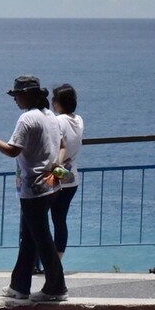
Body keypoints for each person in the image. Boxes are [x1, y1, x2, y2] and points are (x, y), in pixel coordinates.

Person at [0, 76, 68, 302]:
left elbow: (12, 151)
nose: (15, 99)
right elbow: (63, 146)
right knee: (29, 238)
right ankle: (20, 286)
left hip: (33, 188)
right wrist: (56, 164)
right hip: (50, 184)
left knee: (42, 239)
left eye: (17, 95)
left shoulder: (27, 119)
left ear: (28, 94)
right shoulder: (51, 117)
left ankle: (57, 287)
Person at [50, 84, 84, 261]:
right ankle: (57, 260)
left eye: (53, 100)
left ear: (59, 102)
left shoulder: (57, 121)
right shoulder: (79, 120)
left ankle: (40, 260)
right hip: (72, 179)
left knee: (36, 220)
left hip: (55, 178)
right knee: (59, 220)